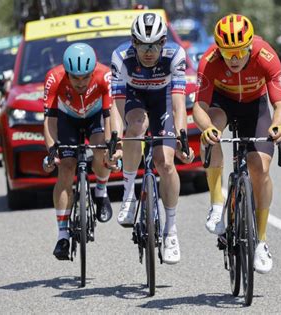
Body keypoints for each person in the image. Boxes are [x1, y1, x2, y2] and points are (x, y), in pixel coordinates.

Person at [193, 14, 281, 274]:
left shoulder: (266, 56)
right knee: (211, 137)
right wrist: (208, 128)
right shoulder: (210, 60)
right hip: (222, 104)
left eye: (239, 53)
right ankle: (216, 205)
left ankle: (261, 241)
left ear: (249, 47)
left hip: (254, 108)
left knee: (261, 169)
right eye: (228, 53)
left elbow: (280, 104)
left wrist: (278, 126)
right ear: (218, 49)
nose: (234, 59)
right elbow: (199, 107)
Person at [108, 12, 194, 264]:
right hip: (134, 99)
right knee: (136, 125)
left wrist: (182, 138)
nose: (148, 51)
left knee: (165, 162)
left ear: (163, 42)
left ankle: (171, 230)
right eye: (142, 45)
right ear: (133, 42)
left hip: (164, 99)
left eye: (155, 44)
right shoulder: (121, 57)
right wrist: (117, 138)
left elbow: (179, 105)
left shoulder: (175, 55)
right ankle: (128, 195)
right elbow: (116, 106)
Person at [43, 43, 114, 260]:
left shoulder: (105, 76)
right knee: (65, 167)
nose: (81, 83)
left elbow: (110, 116)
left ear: (93, 71)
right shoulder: (54, 78)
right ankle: (62, 235)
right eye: (75, 78)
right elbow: (50, 120)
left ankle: (101, 192)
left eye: (85, 77)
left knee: (101, 152)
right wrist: (52, 150)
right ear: (67, 73)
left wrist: (112, 145)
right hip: (67, 119)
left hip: (95, 118)